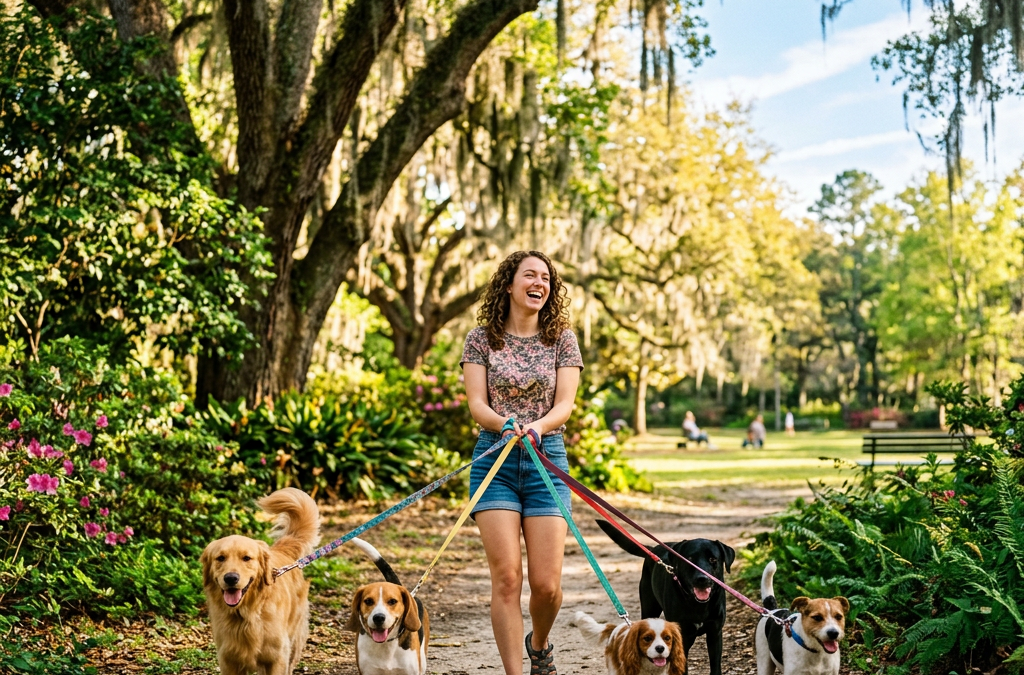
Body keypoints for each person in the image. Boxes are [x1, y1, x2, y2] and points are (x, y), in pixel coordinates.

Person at [461, 250, 583, 675]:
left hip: (546, 460)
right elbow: (477, 404)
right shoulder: (480, 338)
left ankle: (540, 643)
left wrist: (537, 427)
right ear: (509, 285)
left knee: (547, 586)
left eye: (546, 278)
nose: (540, 283)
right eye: (529, 275)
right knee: (508, 578)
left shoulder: (562, 339)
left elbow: (564, 405)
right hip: (494, 461)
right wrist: (505, 423)